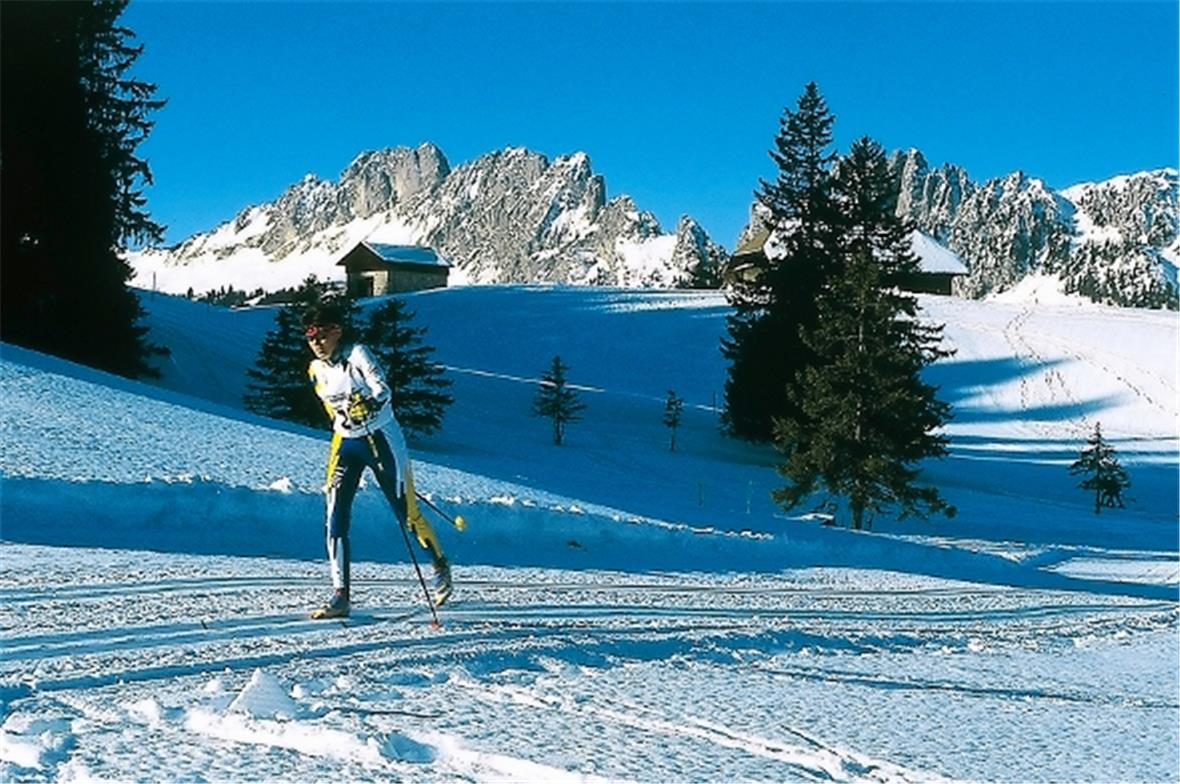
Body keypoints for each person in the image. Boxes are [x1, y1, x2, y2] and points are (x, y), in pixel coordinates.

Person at [301, 303, 452, 619]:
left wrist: (368, 403)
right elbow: (330, 407)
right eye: (309, 336)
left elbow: (383, 388)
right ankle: (340, 595)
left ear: (337, 331)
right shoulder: (315, 369)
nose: (315, 342)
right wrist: (345, 418)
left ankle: (439, 565)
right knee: (335, 515)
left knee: (406, 513)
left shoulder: (358, 354)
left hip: (381, 438)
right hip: (347, 442)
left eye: (321, 334)